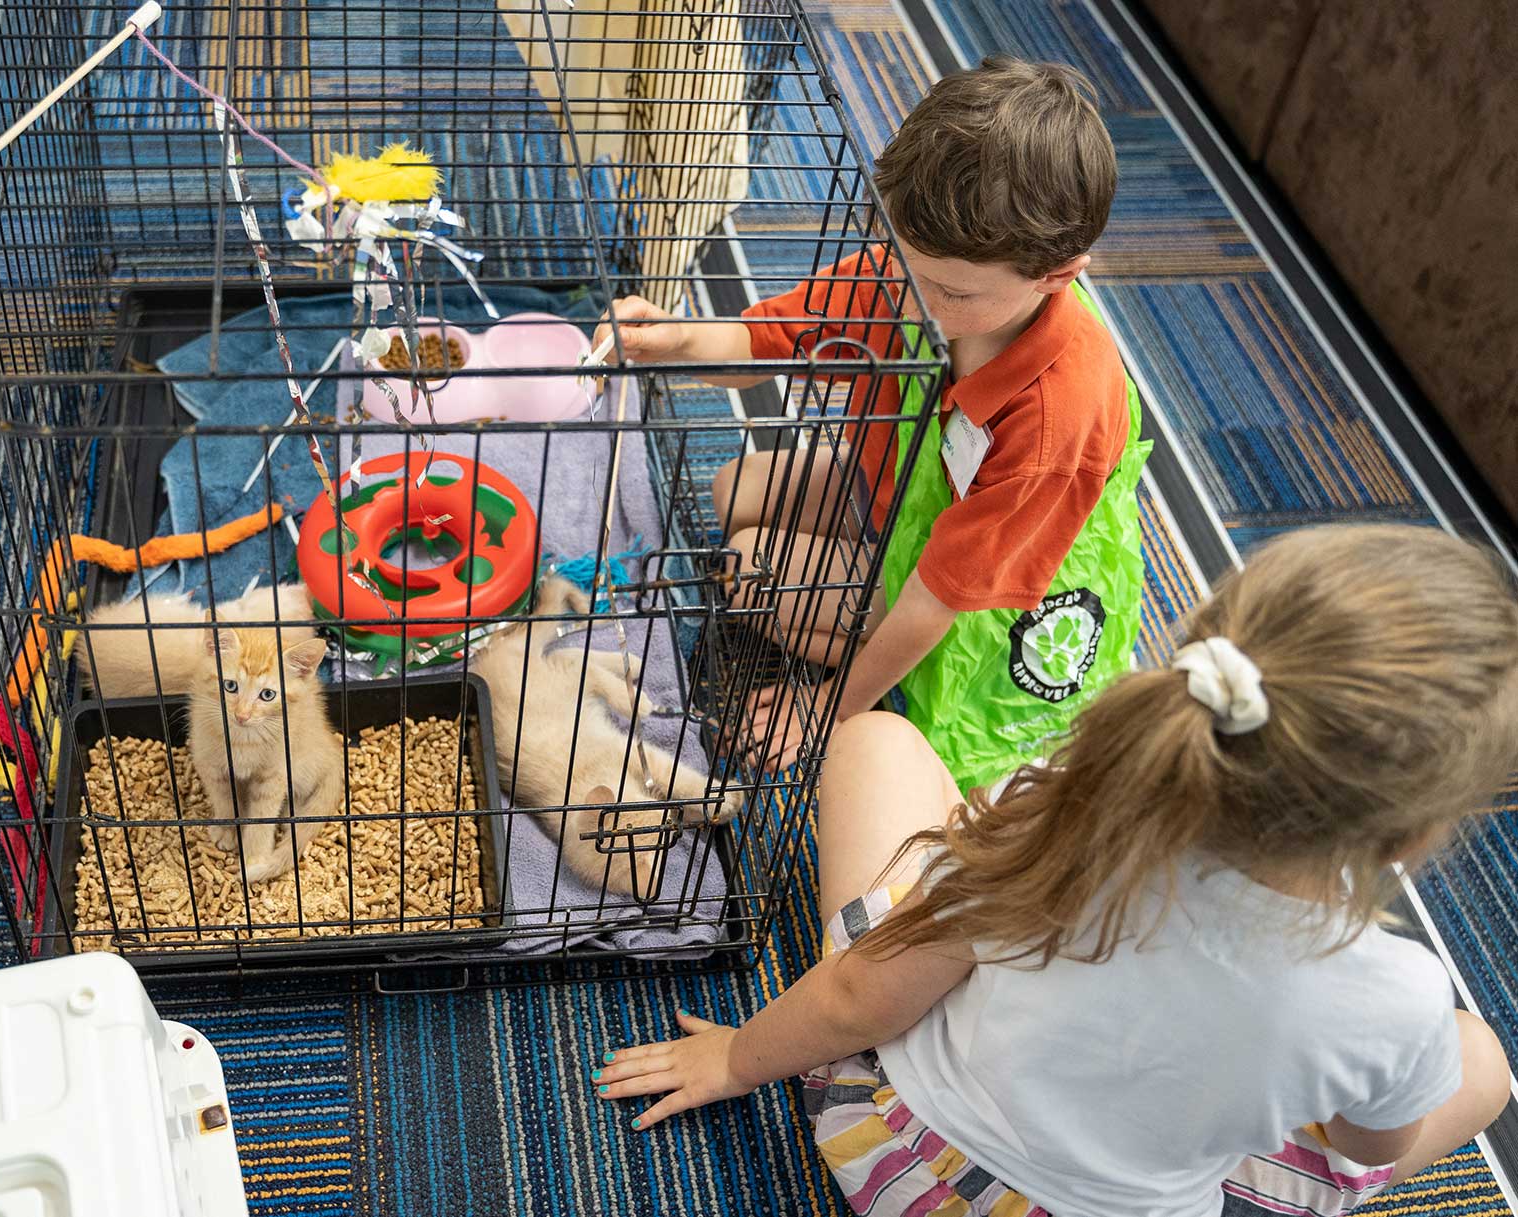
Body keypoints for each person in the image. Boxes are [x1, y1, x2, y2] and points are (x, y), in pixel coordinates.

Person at [590, 524, 1515, 1217]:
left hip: (901, 1161)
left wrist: (735, 1058)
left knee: (875, 744)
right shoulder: (1396, 996)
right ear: (1410, 834)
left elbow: (857, 999)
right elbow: (1364, 1144)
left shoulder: (1055, 810)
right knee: (1476, 1064)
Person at [596, 57, 1148, 784]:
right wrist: (673, 340)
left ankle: (872, 662)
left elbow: (938, 601)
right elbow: (767, 341)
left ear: (1057, 275)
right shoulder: (915, 271)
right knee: (736, 489)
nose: (912, 299)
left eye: (949, 292)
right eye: (901, 260)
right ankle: (855, 598)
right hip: (905, 496)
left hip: (990, 602)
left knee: (751, 567)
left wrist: (824, 708)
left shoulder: (1057, 419)